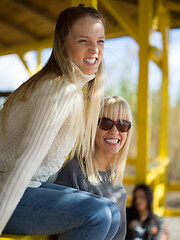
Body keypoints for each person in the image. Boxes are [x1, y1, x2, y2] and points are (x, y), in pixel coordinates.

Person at [0, 5, 121, 240]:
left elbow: (45, 169)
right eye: (84, 40)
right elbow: (23, 164)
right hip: (7, 188)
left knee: (112, 211)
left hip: (28, 187)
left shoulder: (74, 90)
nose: (95, 49)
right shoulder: (59, 90)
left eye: (101, 41)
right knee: (98, 215)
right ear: (63, 43)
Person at [56, 95, 133, 240]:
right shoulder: (75, 171)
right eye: (106, 123)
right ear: (92, 127)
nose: (115, 131)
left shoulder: (117, 185)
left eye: (123, 125)